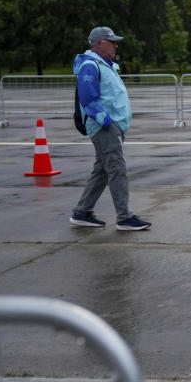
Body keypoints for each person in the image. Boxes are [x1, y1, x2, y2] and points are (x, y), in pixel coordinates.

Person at [70, 27, 151, 230]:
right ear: (98, 43)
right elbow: (89, 98)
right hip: (104, 127)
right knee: (117, 169)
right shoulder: (90, 65)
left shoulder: (104, 65)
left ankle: (82, 212)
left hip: (110, 127)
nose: (115, 44)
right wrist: (107, 123)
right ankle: (124, 217)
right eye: (111, 41)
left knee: (102, 171)